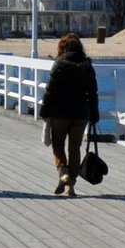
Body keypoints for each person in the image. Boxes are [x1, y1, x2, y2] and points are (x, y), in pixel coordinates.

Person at [39, 33, 100, 197]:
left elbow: (50, 91)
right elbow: (93, 94)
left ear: (63, 47)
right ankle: (70, 185)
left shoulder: (59, 64)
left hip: (59, 113)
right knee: (75, 148)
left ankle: (63, 173)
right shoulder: (87, 66)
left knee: (58, 145)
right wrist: (94, 114)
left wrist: (44, 111)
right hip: (81, 114)